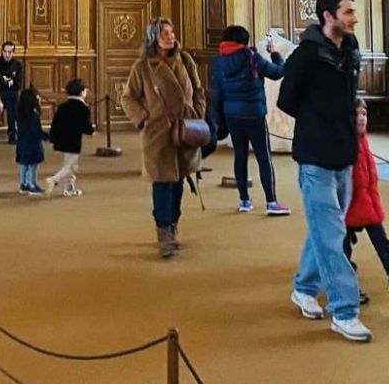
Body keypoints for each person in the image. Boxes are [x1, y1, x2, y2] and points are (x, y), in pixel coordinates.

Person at [277, 0, 369, 342]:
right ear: (328, 16)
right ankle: (345, 310)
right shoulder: (305, 56)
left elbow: (349, 96)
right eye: (348, 12)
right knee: (332, 234)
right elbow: (287, 100)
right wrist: (319, 119)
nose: (354, 18)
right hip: (315, 155)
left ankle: (304, 288)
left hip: (344, 153)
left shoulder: (351, 51)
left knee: (326, 228)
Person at [122, 19, 205, 258]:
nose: (170, 37)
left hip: (186, 129)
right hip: (158, 134)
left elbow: (198, 89)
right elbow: (128, 98)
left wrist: (198, 112)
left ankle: (173, 225)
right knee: (162, 183)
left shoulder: (185, 60)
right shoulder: (142, 67)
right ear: (153, 38)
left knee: (178, 181)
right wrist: (144, 118)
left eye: (172, 32)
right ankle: (164, 233)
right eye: (164, 33)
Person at [209, 24, 290, 216]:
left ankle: (244, 201)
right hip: (254, 114)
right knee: (263, 158)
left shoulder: (219, 62)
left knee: (240, 156)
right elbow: (278, 72)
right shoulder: (252, 57)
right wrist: (276, 55)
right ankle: (271, 202)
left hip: (232, 115)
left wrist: (217, 119)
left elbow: (216, 94)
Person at [345, 98, 389, 297]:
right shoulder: (345, 144)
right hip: (348, 204)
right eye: (357, 114)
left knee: (381, 241)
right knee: (342, 247)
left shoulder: (363, 141)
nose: (362, 118)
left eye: (364, 114)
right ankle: (350, 289)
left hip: (366, 200)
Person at [47, 78, 94, 197]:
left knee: (69, 164)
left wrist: (53, 138)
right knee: (71, 166)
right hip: (73, 141)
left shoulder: (62, 107)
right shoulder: (83, 108)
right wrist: (91, 131)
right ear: (82, 92)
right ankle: (54, 179)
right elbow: (85, 126)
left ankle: (69, 189)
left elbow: (55, 124)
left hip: (61, 140)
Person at [16, 87, 47, 196]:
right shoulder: (34, 114)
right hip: (33, 144)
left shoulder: (21, 113)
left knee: (24, 165)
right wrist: (46, 136)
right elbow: (36, 131)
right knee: (33, 166)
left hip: (22, 143)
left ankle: (23, 183)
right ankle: (32, 184)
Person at [0, 42, 24, 145]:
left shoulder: (18, 65)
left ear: (13, 53)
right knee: (11, 98)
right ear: (2, 52)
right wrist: (7, 81)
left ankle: (13, 133)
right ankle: (12, 133)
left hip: (11, 94)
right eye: (5, 52)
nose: (7, 54)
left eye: (10, 52)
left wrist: (3, 80)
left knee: (13, 99)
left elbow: (18, 84)